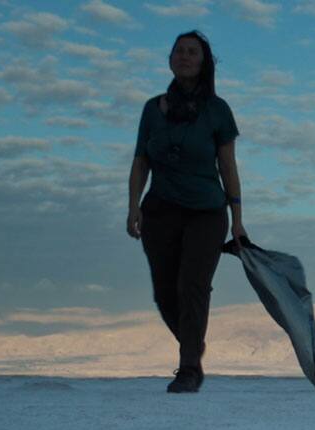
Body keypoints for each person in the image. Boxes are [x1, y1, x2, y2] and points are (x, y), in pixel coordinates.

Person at [127, 30, 246, 394]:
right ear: (170, 59)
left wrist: (237, 221)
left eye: (192, 52)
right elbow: (140, 160)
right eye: (179, 51)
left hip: (206, 213)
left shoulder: (217, 110)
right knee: (165, 293)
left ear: (203, 62)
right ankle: (193, 343)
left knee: (191, 286)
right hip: (160, 212)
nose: (184, 56)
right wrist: (133, 206)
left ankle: (189, 368)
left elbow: (228, 166)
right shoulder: (152, 109)